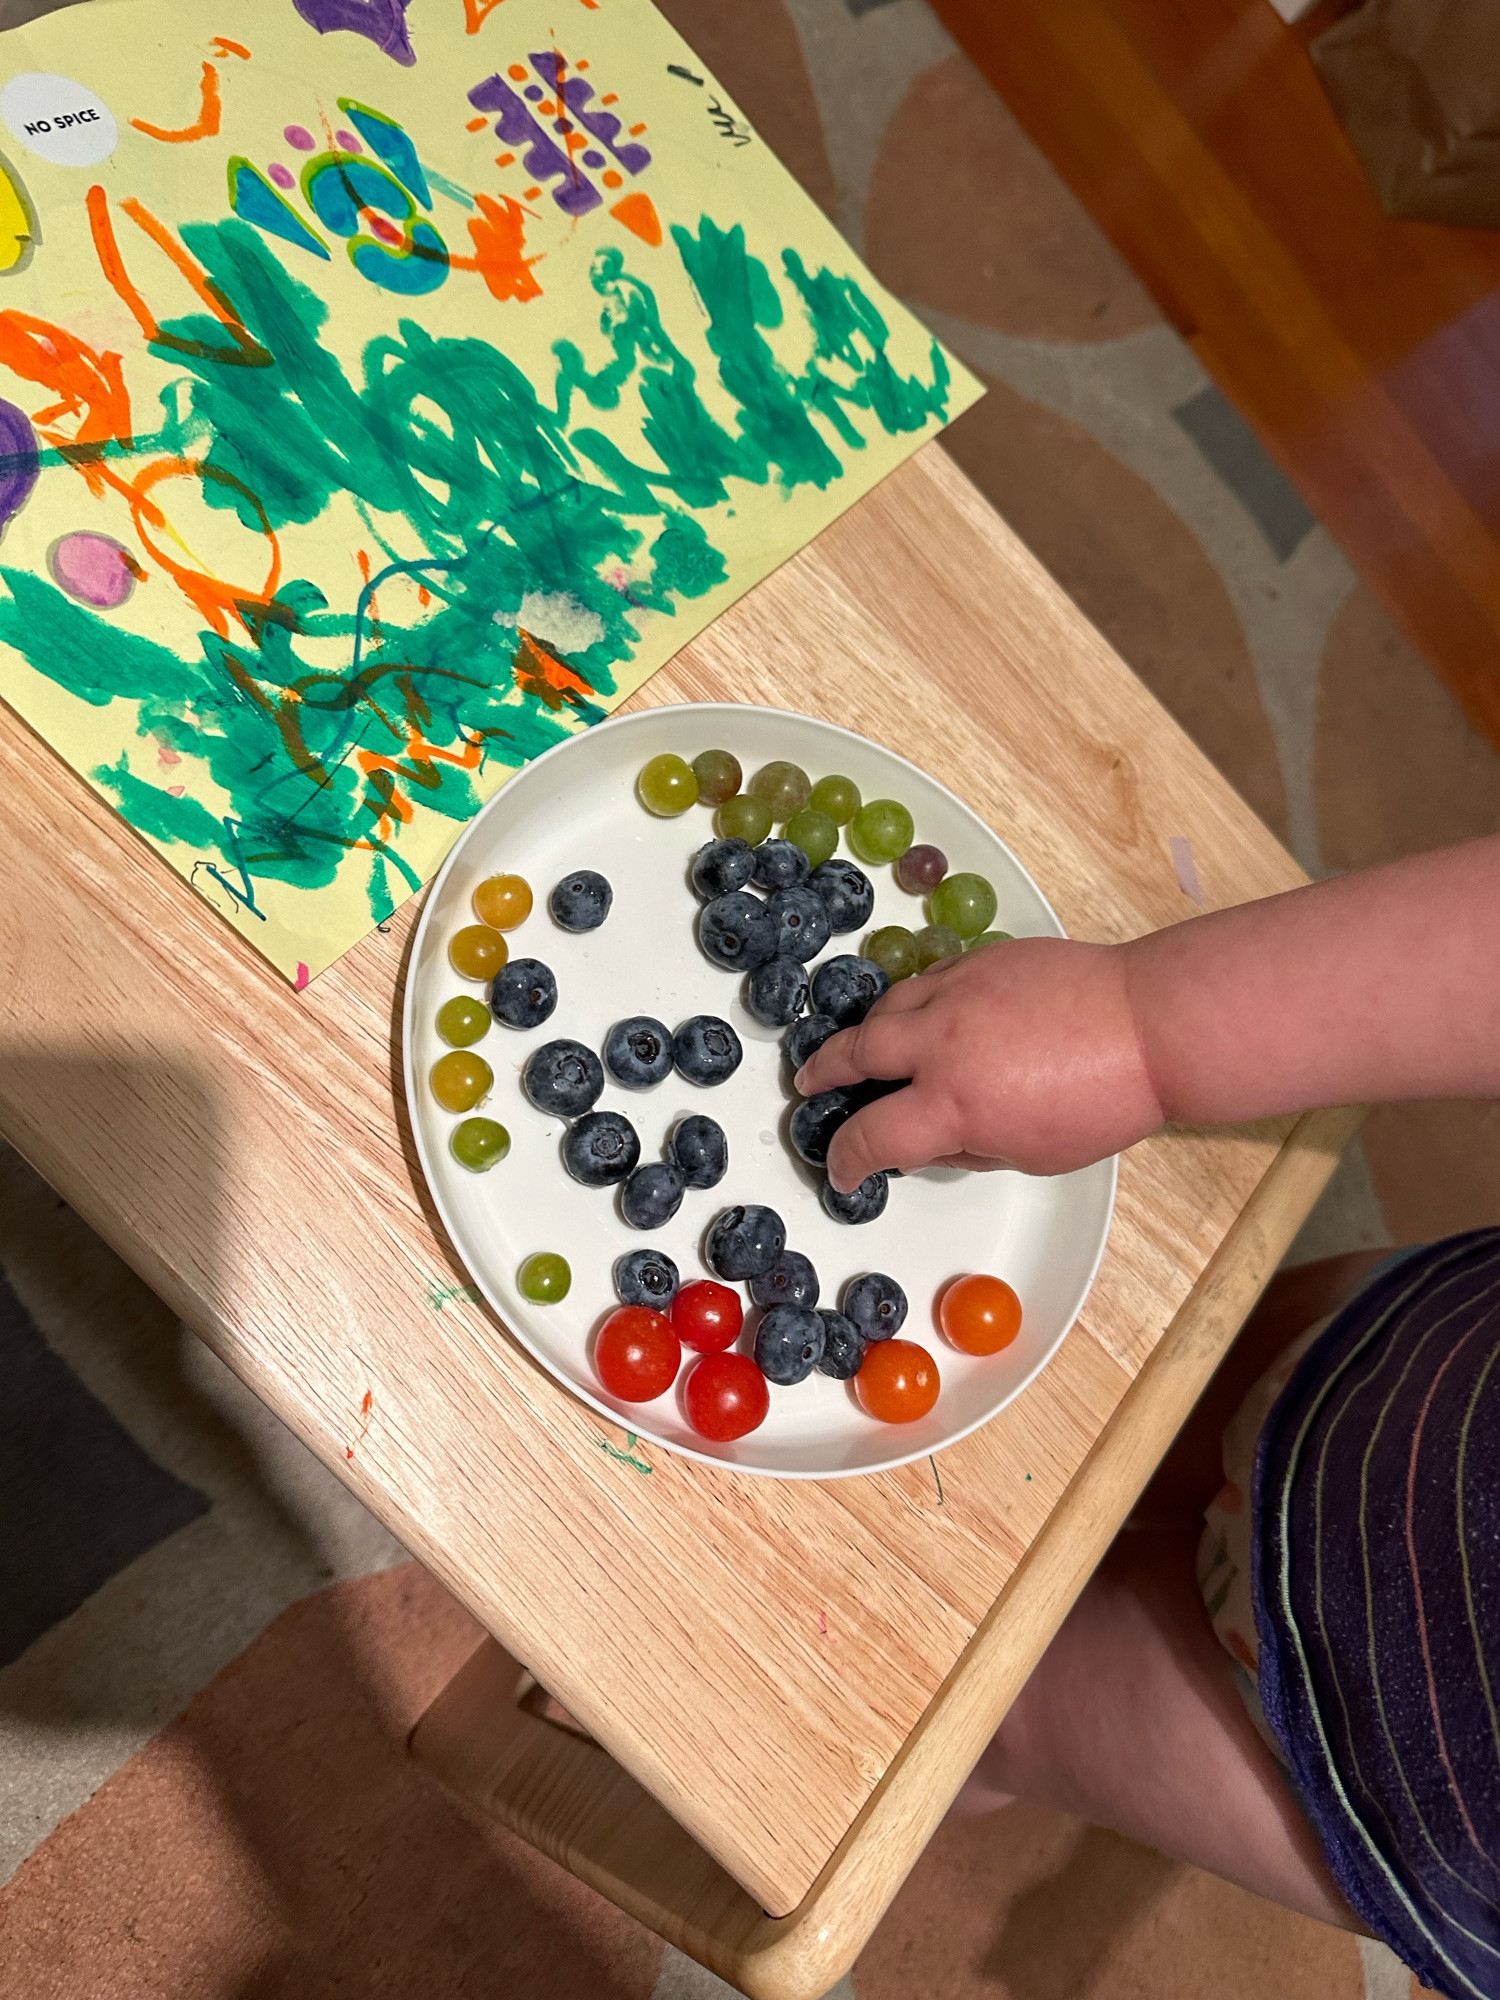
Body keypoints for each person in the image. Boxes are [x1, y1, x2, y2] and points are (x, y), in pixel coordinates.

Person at [794, 832, 1500, 2000]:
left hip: (1372, 1781)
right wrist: (1142, 1028)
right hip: (1401, 1380)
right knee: (1104, 1395)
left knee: (984, 1701)